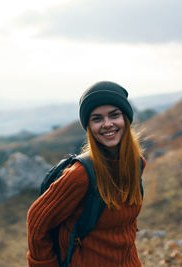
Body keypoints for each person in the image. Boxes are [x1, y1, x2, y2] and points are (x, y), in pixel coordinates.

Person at [27, 81, 145, 267]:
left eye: (114, 115)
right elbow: (37, 221)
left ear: (126, 118)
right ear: (89, 126)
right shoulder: (80, 175)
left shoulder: (136, 163)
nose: (107, 124)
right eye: (97, 119)